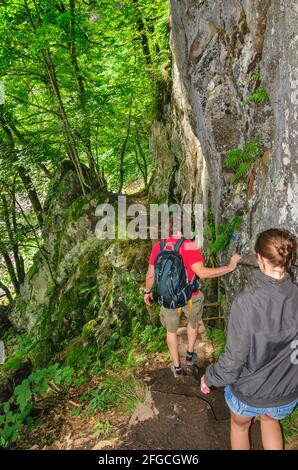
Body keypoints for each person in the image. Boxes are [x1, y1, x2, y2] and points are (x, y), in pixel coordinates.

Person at [200, 228, 298, 450]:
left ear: (260, 259)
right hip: (287, 393)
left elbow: (233, 362)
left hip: (249, 395)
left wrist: (209, 378)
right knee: (271, 419)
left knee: (240, 427)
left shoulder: (246, 304)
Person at [144, 228, 241, 378]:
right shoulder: (189, 245)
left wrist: (147, 291)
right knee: (193, 322)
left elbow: (151, 274)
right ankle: (189, 355)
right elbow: (202, 273)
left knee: (171, 331)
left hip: (169, 298)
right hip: (190, 295)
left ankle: (176, 367)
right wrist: (229, 267)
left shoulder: (159, 246)